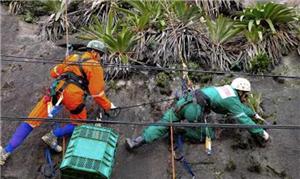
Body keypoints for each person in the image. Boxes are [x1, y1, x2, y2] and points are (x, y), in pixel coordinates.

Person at [0, 40, 117, 165]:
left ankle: (5, 152)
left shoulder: (73, 57)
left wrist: (67, 66)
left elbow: (54, 72)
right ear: (94, 53)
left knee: (31, 121)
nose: (101, 58)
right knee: (79, 124)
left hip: (56, 91)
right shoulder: (95, 66)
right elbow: (97, 94)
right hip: (74, 97)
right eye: (101, 55)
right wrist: (109, 106)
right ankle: (54, 134)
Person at [125, 78, 270, 150]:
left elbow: (242, 110)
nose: (246, 97)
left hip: (185, 101)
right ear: (241, 91)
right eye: (245, 94)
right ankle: (180, 131)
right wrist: (261, 133)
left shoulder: (226, 90)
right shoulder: (233, 100)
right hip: (195, 109)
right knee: (207, 135)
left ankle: (138, 141)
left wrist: (254, 115)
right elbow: (243, 119)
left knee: (164, 121)